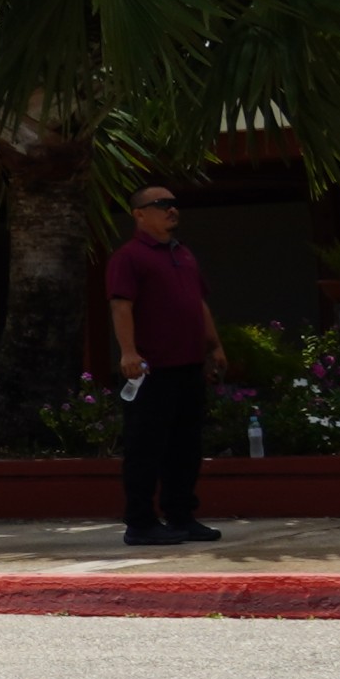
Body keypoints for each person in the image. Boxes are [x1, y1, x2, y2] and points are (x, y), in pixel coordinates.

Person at [104, 182, 222, 546]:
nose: (171, 209)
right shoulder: (129, 257)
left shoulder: (183, 254)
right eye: (161, 204)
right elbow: (120, 305)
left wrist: (215, 346)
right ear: (139, 214)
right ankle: (140, 522)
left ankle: (181, 516)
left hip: (188, 364)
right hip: (151, 369)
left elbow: (198, 303)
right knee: (146, 447)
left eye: (174, 202)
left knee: (185, 446)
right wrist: (128, 352)